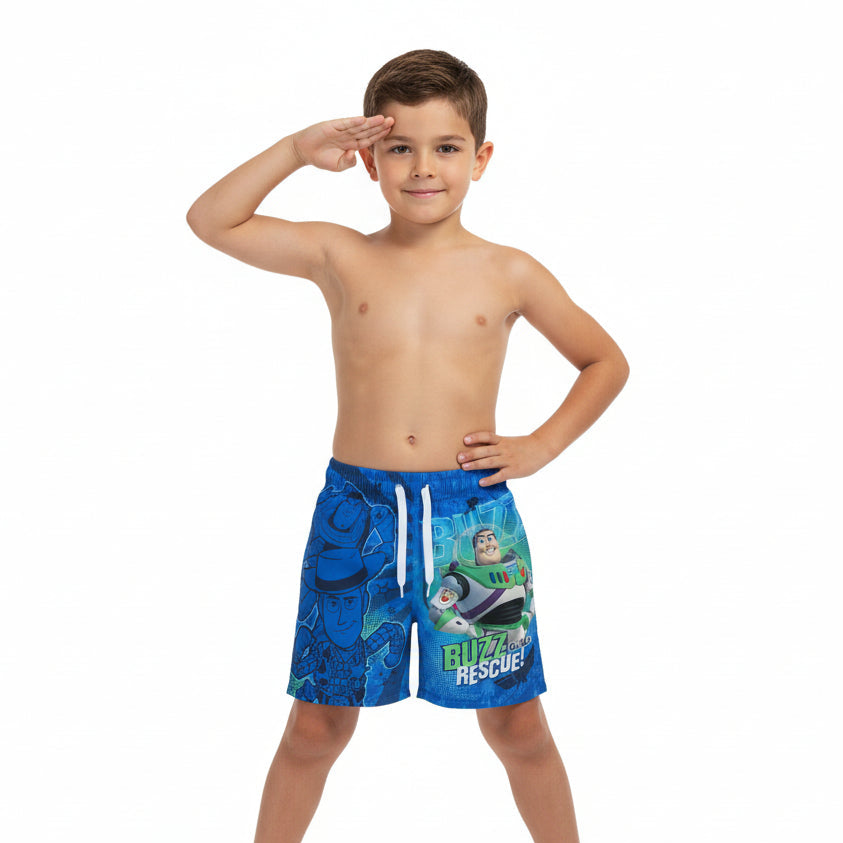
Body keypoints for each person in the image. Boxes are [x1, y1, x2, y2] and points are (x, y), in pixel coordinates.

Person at [186, 49, 628, 843]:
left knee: (516, 724)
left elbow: (604, 360)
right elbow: (211, 220)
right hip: (357, 516)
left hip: (471, 524)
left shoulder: (509, 271)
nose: (423, 168)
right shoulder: (340, 255)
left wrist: (541, 444)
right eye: (399, 147)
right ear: (370, 161)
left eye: (445, 147)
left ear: (479, 158)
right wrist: (295, 150)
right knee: (316, 726)